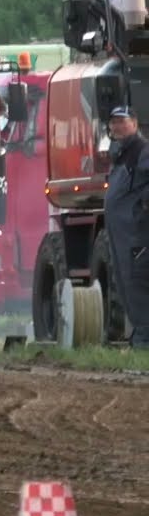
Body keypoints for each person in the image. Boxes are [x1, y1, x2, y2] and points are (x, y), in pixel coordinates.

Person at [102, 105, 149, 349]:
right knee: (126, 286)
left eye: (122, 121)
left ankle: (145, 342)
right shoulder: (121, 153)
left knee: (138, 286)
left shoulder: (142, 149)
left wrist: (142, 207)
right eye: (113, 122)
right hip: (123, 237)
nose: (117, 126)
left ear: (135, 123)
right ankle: (140, 340)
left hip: (137, 236)